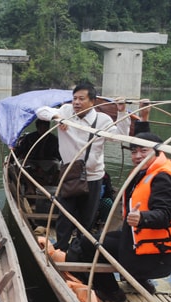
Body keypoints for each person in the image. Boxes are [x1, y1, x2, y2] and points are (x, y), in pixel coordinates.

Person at [77, 132, 171, 302]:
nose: (137, 156)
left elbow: (165, 214)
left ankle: (112, 292)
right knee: (104, 238)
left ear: (158, 151)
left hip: (151, 253)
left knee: (89, 244)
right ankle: (140, 281)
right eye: (134, 152)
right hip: (142, 240)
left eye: (143, 151)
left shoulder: (163, 177)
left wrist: (142, 218)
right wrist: (143, 119)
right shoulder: (151, 169)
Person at [35, 81, 131, 252]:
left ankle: (79, 251)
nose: (77, 102)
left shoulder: (102, 120)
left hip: (93, 176)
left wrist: (122, 111)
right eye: (75, 98)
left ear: (92, 101)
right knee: (65, 215)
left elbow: (121, 137)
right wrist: (58, 118)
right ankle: (61, 249)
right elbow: (41, 111)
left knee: (87, 218)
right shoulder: (65, 111)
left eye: (81, 99)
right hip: (70, 175)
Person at [14, 118, 61, 187]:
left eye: (45, 128)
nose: (43, 130)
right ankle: (30, 187)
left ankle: (53, 185)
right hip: (31, 160)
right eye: (41, 128)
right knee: (21, 166)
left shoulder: (53, 139)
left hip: (47, 161)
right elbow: (21, 150)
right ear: (37, 127)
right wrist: (13, 156)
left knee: (57, 165)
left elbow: (58, 155)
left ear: (48, 128)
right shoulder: (29, 138)